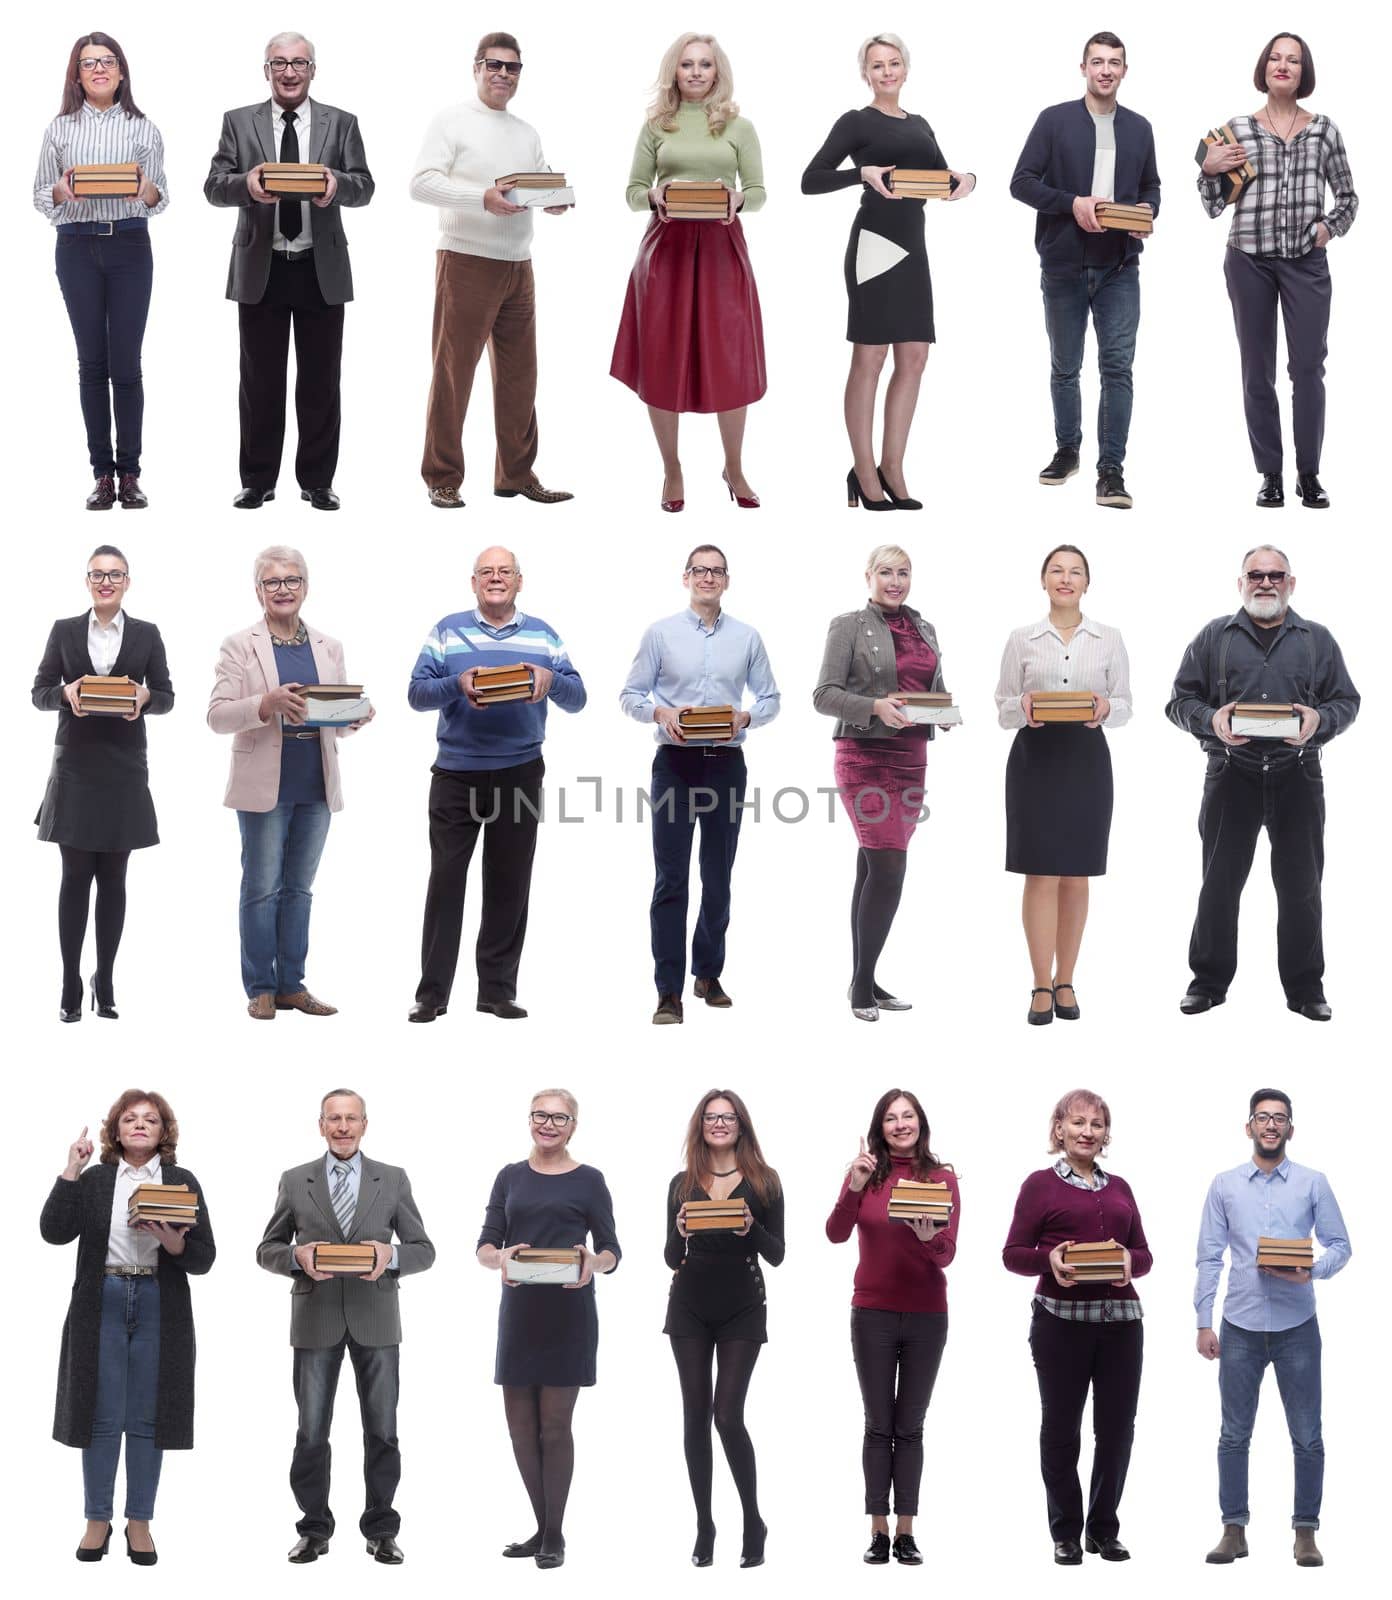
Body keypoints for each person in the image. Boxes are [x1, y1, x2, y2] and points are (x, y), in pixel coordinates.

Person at [1166, 545, 1359, 1020]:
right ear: (1241, 583)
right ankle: (1207, 983)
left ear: (1291, 584)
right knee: (1218, 885)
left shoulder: (1317, 639)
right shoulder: (1214, 637)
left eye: (1276, 575)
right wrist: (1212, 720)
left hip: (1299, 776)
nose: (1266, 583)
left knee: (1302, 887)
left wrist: (1321, 718)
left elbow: (1347, 701)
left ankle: (1306, 990)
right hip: (1232, 775)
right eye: (1256, 574)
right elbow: (1178, 701)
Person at [257, 1088, 436, 1565]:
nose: (342, 1127)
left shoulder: (392, 1179)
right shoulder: (296, 1180)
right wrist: (295, 1256)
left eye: (350, 1119)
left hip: (376, 1319)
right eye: (333, 1119)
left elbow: (424, 1249)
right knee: (311, 1431)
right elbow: (266, 1248)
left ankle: (381, 1528)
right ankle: (314, 1529)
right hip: (315, 1320)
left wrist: (391, 1255)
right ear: (321, 1125)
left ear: (364, 1124)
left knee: (383, 1431)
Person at [407, 547, 585, 1022]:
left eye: (504, 571)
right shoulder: (446, 631)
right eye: (486, 571)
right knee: (446, 882)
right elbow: (416, 694)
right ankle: (432, 994)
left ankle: (496, 992)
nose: (495, 577)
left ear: (519, 582)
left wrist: (551, 678)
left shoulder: (544, 634)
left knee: (509, 883)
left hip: (520, 771)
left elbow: (578, 697)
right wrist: (457, 683)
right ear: (473, 583)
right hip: (455, 773)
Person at [41, 1089, 216, 1565]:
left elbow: (204, 1258)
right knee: (100, 1416)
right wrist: (71, 1169)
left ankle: (139, 1521)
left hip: (161, 1301)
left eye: (151, 1119)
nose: (140, 1125)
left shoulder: (181, 1180)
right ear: (115, 1130)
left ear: (164, 1131)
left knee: (146, 1416)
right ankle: (97, 1519)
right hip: (104, 1301)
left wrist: (174, 1246)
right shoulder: (97, 1179)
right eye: (130, 1119)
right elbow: (53, 1231)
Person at [801, 34, 975, 510]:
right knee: (870, 359)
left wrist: (968, 181)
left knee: (915, 357)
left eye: (893, 63)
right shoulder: (856, 122)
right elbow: (810, 180)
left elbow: (942, 176)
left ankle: (892, 466)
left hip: (912, 247)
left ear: (905, 68)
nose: (886, 72)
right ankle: (863, 470)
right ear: (866, 73)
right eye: (876, 65)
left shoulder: (920, 124)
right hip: (874, 246)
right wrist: (862, 173)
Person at [204, 32, 374, 510]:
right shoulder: (238, 122)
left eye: (299, 62)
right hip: (263, 265)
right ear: (266, 70)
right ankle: (257, 481)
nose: (289, 71)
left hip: (321, 268)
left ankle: (317, 481)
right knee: (260, 382)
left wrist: (337, 185)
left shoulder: (342, 123)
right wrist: (247, 184)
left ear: (313, 70)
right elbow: (215, 186)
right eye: (279, 62)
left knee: (321, 380)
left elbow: (365, 186)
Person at [207, 544, 373, 1020]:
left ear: (306, 586)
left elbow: (333, 721)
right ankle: (260, 986)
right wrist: (266, 703)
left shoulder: (328, 646)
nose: (284, 590)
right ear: (258, 590)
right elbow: (217, 716)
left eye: (292, 580)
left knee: (299, 889)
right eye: (273, 582)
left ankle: (291, 985)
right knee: (262, 888)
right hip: (265, 785)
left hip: (316, 785)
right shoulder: (239, 645)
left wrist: (354, 717)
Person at [412, 31, 573, 509]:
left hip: (518, 265)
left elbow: (538, 180)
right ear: (477, 67)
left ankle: (516, 475)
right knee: (454, 374)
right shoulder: (452, 121)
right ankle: (442, 477)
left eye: (513, 67)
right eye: (494, 65)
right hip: (466, 261)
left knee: (521, 377)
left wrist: (554, 201)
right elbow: (421, 184)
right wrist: (479, 198)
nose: (503, 74)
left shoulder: (526, 131)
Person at [620, 545, 780, 1024]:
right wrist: (659, 712)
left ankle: (707, 973)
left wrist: (747, 715)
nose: (708, 577)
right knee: (671, 878)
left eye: (717, 571)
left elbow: (771, 698)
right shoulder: (660, 634)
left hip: (725, 766)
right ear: (686, 576)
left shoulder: (747, 637)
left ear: (727, 580)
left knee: (718, 876)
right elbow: (629, 695)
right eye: (700, 570)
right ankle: (668, 989)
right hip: (675, 764)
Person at [1197, 34, 1357, 509]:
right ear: (1263, 68)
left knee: (1308, 369)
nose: (1282, 65)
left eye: (1293, 59)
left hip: (1306, 263)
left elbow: (1348, 198)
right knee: (1256, 370)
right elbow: (1211, 206)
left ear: (1303, 71)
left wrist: (1327, 229)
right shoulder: (1237, 130)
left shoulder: (1324, 131)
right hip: (1248, 260)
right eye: (1275, 57)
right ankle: (1270, 474)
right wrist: (1208, 169)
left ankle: (1309, 473)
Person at [1194, 1088, 1351, 1568]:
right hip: (1238, 1324)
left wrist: (1313, 1271)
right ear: (1249, 1127)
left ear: (1290, 1129)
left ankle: (1306, 1533)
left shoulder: (1313, 1183)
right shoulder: (1223, 1185)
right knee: (1233, 1434)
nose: (1270, 1124)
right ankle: (1233, 1528)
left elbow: (1340, 1245)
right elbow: (1208, 1255)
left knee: (1307, 1434)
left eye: (1279, 1118)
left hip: (1296, 1326)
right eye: (1262, 1117)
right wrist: (1203, 1321)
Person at [611, 33, 766, 512]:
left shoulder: (739, 127)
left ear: (717, 71)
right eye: (687, 65)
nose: (696, 73)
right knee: (662, 357)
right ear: (673, 72)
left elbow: (758, 191)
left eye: (705, 64)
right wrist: (656, 195)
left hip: (722, 249)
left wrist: (739, 199)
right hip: (667, 253)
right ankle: (671, 468)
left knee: (730, 358)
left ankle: (734, 466)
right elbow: (634, 191)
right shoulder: (657, 124)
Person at [1010, 32, 1160, 510]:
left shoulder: (1139, 127)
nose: (1105, 70)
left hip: (1120, 266)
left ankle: (1111, 470)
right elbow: (1021, 183)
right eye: (1097, 62)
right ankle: (1067, 451)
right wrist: (1071, 203)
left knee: (1118, 369)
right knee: (1065, 367)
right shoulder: (1053, 121)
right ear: (1083, 68)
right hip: (1064, 265)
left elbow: (1152, 186)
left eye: (1114, 62)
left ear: (1124, 71)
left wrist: (1145, 215)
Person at [1002, 1089, 1150, 1566]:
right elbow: (1012, 1254)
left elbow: (1144, 1255)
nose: (1088, 1132)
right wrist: (1048, 1258)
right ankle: (1065, 1530)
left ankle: (1103, 1530)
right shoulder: (1039, 1185)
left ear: (1106, 1133)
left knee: (1116, 1430)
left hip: (1122, 1326)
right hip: (1060, 1324)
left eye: (1097, 1124)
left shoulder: (1121, 1187)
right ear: (1059, 1129)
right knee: (1062, 1429)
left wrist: (1131, 1259)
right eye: (1078, 1122)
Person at [477, 1089, 621, 1570]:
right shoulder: (509, 1177)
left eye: (560, 1118)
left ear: (573, 1126)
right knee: (520, 1429)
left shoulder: (590, 1180)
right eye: (541, 1115)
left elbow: (611, 1250)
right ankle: (542, 1528)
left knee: (555, 1427)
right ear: (530, 1120)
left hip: (568, 1314)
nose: (549, 1124)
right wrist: (500, 1258)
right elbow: (485, 1244)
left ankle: (554, 1535)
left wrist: (591, 1262)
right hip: (519, 1315)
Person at [32, 546, 172, 1022]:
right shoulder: (65, 630)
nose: (106, 581)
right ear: (87, 581)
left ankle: (105, 978)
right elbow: (39, 693)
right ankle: (71, 981)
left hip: (125, 767)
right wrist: (65, 694)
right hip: (76, 766)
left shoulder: (148, 634)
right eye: (98, 574)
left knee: (114, 879)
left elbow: (168, 696)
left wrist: (147, 696)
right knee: (74, 879)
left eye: (115, 574)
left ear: (128, 581)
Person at [813, 545, 952, 1020]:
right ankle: (859, 990)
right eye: (887, 572)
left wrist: (942, 712)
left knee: (871, 868)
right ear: (868, 576)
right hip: (865, 757)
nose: (896, 581)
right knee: (890, 869)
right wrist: (874, 706)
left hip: (913, 756)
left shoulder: (923, 627)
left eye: (904, 573)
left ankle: (865, 978)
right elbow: (824, 695)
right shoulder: (848, 625)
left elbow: (930, 689)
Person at [994, 545, 1131, 1025]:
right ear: (1043, 580)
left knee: (1077, 874)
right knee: (1041, 873)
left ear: (1087, 583)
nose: (1066, 578)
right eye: (1057, 570)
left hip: (1087, 760)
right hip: (1036, 759)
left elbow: (1126, 703)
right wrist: (1023, 706)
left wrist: (1106, 708)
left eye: (1075, 572)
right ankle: (1038, 983)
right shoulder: (1022, 638)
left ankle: (1066, 978)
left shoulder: (1109, 638)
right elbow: (1002, 704)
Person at [34, 34, 167, 509]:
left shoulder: (143, 128)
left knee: (126, 365)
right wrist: (60, 193)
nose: (98, 69)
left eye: (107, 61)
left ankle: (130, 473)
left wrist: (146, 190)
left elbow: (160, 198)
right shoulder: (60, 128)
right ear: (77, 74)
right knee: (92, 364)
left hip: (130, 243)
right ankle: (102, 475)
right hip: (75, 247)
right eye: (88, 63)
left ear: (121, 71)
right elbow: (38, 195)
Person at [826, 1089, 958, 1566]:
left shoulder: (942, 1179)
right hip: (873, 1313)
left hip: (927, 1314)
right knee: (879, 1425)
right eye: (890, 1118)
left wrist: (928, 1240)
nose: (900, 1124)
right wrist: (855, 1185)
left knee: (911, 1426)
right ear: (879, 1128)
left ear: (921, 1123)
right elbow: (836, 1233)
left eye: (908, 1116)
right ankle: (877, 1529)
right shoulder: (865, 1175)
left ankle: (906, 1531)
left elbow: (947, 1254)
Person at [665, 1089, 783, 1567]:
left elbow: (776, 1253)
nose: (719, 1124)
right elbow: (671, 1258)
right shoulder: (681, 1181)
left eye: (728, 1117)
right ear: (701, 1125)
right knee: (695, 1416)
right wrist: (680, 1231)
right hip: (690, 1305)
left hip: (742, 1306)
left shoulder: (765, 1180)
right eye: (711, 1117)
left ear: (742, 1125)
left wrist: (749, 1226)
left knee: (727, 1415)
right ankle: (704, 1524)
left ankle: (753, 1520)